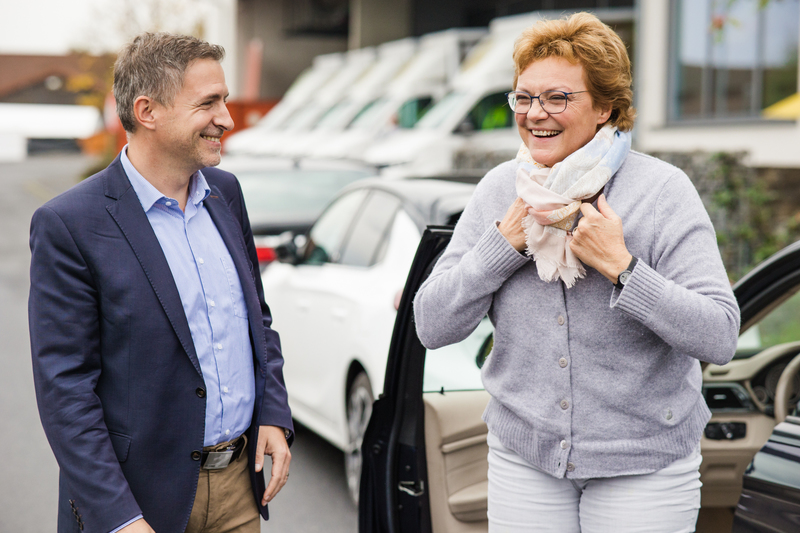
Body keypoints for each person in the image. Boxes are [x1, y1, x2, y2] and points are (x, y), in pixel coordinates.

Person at [413, 13, 740, 533]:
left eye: (557, 98)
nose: (534, 114)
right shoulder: (501, 191)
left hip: (644, 468)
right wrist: (501, 247)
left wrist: (624, 268)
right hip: (525, 460)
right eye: (523, 97)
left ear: (606, 107)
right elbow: (432, 323)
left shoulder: (662, 192)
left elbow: (719, 335)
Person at [29, 33, 293, 533]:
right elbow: (66, 391)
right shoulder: (69, 224)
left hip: (240, 491)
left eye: (225, 100)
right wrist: (120, 518)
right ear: (147, 111)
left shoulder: (226, 193)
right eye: (208, 103)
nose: (227, 119)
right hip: (138, 506)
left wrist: (274, 413)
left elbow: (257, 321)